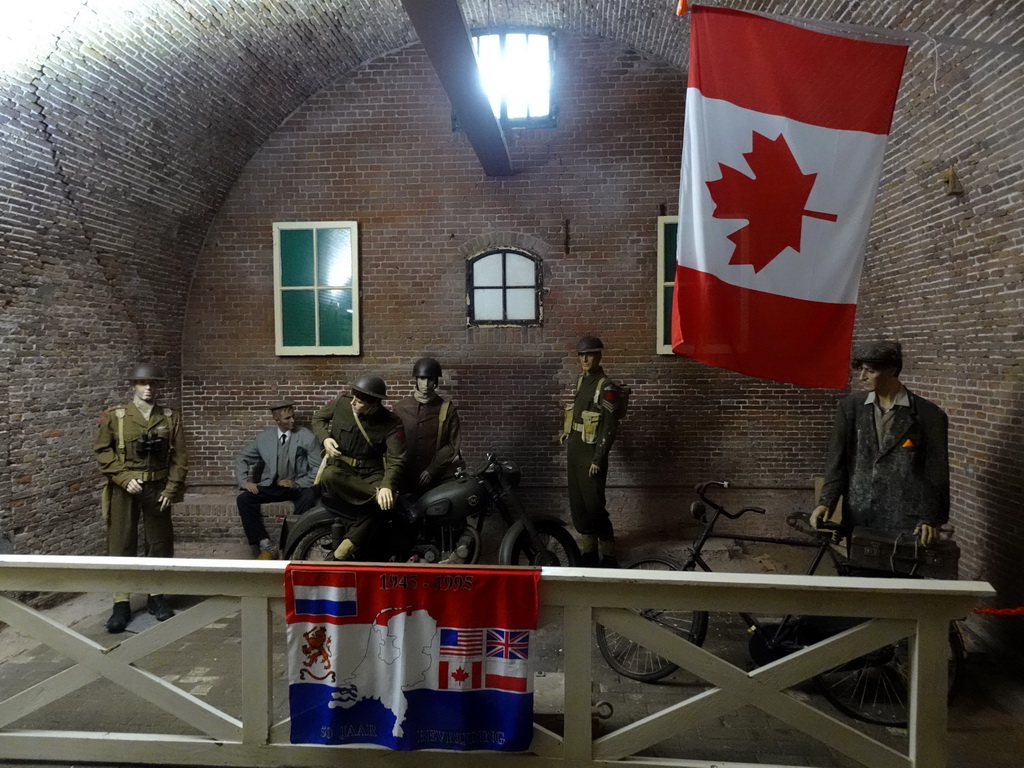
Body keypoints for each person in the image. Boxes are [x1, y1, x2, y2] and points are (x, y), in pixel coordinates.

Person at [811, 341, 950, 545]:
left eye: (871, 370)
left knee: (901, 576)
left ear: (892, 369)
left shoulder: (929, 416)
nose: (862, 377)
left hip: (906, 524)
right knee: (858, 574)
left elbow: (936, 472)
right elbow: (837, 463)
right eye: (861, 370)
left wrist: (931, 518)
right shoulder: (850, 408)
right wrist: (826, 502)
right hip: (859, 518)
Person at [93, 364, 189, 633]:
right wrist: (123, 477)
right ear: (133, 385)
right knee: (121, 542)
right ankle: (121, 603)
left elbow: (180, 457)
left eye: (153, 384)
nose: (148, 388)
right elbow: (103, 451)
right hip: (125, 488)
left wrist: (171, 489)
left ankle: (156, 597)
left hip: (157, 486)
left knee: (159, 543)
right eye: (142, 383)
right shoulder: (116, 416)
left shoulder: (170, 417)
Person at [312, 376, 406, 560]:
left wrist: (386, 485)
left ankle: (346, 547)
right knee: (329, 475)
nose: (353, 402)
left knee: (384, 503)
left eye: (360, 401)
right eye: (354, 397)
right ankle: (379, 497)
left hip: (371, 472)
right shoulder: (341, 403)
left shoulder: (392, 423)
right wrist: (325, 438)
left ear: (374, 405)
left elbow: (396, 459)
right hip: (341, 468)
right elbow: (318, 418)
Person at [560, 336, 623, 567]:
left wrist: (599, 457)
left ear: (599, 356)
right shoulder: (580, 382)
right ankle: (589, 551)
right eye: (581, 355)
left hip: (591, 455)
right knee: (578, 504)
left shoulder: (605, 386)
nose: (585, 358)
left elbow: (609, 426)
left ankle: (608, 554)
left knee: (594, 505)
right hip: (575, 450)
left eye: (590, 354)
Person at [234, 399, 320, 559]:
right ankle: (265, 544)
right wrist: (244, 481)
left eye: (293, 416)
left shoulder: (307, 437)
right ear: (277, 420)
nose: (293, 420)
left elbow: (318, 468)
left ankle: (291, 542)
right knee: (244, 500)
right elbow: (242, 458)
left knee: (309, 497)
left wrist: (297, 483)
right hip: (272, 486)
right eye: (287, 418)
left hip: (298, 487)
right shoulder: (264, 438)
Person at [391, 357, 464, 492]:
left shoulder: (447, 409)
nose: (426, 384)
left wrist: (432, 469)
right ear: (416, 380)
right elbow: (392, 440)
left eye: (430, 379)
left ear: (435, 381)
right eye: (422, 378)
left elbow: (452, 444)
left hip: (435, 478)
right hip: (404, 476)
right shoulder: (400, 408)